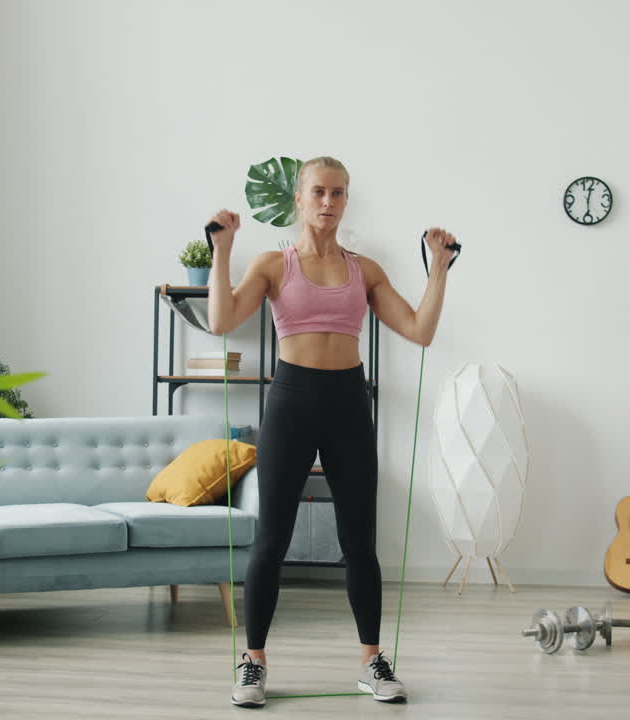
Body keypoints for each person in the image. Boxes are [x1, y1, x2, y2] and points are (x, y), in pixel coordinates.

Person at [206, 156, 456, 708]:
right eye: (318, 192)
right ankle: (253, 663)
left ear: (346, 200)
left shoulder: (364, 271)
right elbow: (221, 321)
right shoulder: (275, 264)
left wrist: (438, 270)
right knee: (270, 540)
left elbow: (419, 330)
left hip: (348, 401)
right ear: (300, 197)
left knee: (359, 543)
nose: (327, 202)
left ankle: (372, 661)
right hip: (292, 401)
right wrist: (223, 252)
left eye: (337, 193)